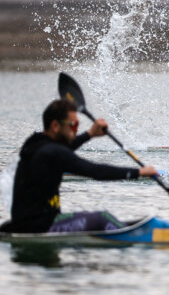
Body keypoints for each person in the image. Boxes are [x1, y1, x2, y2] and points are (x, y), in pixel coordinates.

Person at [9, 99, 158, 234]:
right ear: (55, 125)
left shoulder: (35, 144)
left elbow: (64, 149)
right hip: (40, 227)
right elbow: (95, 171)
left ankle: (122, 227)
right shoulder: (53, 152)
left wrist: (91, 133)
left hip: (25, 222)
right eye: (73, 125)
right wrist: (139, 172)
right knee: (102, 218)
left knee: (109, 221)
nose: (76, 130)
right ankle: (139, 236)